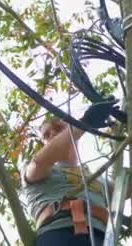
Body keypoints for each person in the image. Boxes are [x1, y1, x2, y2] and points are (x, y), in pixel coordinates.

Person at [22, 101, 117, 246]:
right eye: (46, 135)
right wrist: (85, 123)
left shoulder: (99, 180)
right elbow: (39, 162)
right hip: (58, 234)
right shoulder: (38, 170)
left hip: (102, 238)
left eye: (59, 128)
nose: (53, 134)